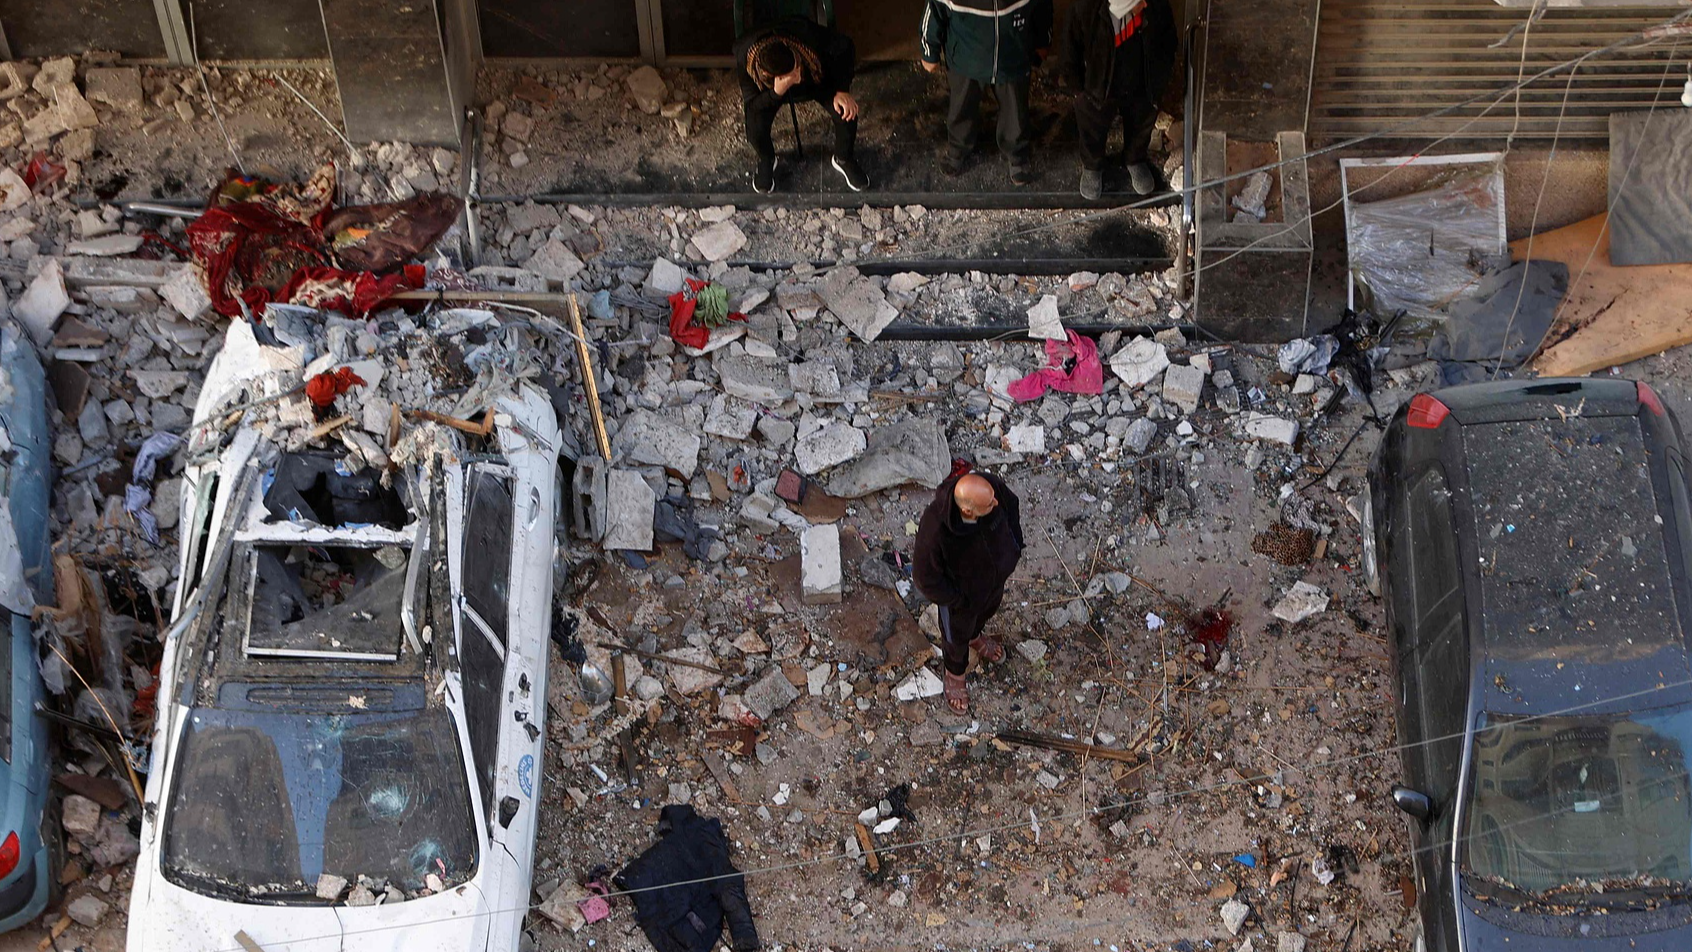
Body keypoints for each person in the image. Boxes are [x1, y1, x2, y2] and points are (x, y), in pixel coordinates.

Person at [913, 469, 1025, 713]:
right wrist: (957, 599)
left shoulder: (989, 486)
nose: (996, 503)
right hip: (961, 598)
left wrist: (1014, 546)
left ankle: (976, 636)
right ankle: (954, 675)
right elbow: (925, 578)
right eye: (989, 504)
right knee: (955, 636)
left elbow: (1011, 504)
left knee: (987, 611)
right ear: (968, 511)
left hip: (993, 582)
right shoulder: (936, 529)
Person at [919, 0, 1054, 186]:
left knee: (1015, 110)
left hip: (1013, 59)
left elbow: (1042, 8)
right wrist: (929, 51)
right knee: (962, 106)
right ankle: (958, 148)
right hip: (966, 61)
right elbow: (935, 9)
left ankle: (1016, 153)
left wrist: (1043, 41)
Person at [733, 16, 868, 194]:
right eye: (789, 75)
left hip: (814, 79)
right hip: (772, 92)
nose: (795, 76)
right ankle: (767, 160)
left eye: (795, 67)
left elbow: (845, 46)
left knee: (845, 112)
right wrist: (777, 92)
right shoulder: (745, 57)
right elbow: (752, 106)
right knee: (754, 126)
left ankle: (843, 158)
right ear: (767, 73)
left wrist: (842, 89)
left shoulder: (804, 33)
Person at [1061, 0, 1177, 199]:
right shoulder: (1086, 7)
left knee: (1141, 122)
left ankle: (1134, 159)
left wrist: (1159, 80)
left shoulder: (1155, 7)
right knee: (1092, 125)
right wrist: (1078, 88)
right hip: (1099, 84)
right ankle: (1093, 165)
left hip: (1141, 81)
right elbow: (1069, 47)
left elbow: (1168, 41)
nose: (1146, 3)